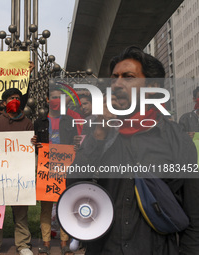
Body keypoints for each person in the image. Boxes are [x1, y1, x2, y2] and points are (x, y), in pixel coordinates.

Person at [67, 46, 199, 254]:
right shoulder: (100, 132)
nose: (117, 84)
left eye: (128, 77)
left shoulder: (177, 140)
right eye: (114, 77)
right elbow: (73, 187)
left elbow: (194, 219)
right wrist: (99, 132)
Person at [0, 88, 34, 255]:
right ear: (3, 103)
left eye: (17, 98)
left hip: (19, 174)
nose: (15, 101)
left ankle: (23, 244)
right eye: (11, 98)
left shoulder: (27, 122)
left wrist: (33, 142)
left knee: (21, 211)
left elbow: (31, 147)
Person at [34, 86, 76, 255]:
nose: (56, 101)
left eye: (59, 97)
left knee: (64, 205)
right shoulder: (40, 122)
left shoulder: (68, 121)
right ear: (46, 100)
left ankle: (65, 243)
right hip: (45, 168)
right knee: (45, 208)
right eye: (53, 97)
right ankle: (46, 243)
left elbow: (74, 144)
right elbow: (35, 147)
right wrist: (35, 145)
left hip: (64, 168)